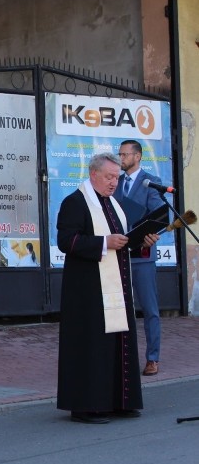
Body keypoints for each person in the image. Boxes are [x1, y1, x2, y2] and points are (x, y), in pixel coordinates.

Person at [56, 153, 159, 424]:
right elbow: (66, 241)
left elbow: (121, 243)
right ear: (93, 174)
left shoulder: (113, 203)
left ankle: (118, 401)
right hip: (87, 289)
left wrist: (141, 240)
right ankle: (87, 406)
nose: (114, 182)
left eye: (117, 177)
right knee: (93, 345)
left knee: (116, 343)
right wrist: (104, 243)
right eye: (109, 177)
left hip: (116, 286)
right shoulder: (75, 202)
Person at [114, 140, 165, 377]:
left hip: (142, 256)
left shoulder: (150, 183)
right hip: (118, 255)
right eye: (120, 154)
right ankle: (122, 359)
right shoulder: (115, 182)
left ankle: (152, 358)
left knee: (150, 309)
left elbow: (159, 215)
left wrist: (151, 235)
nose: (121, 158)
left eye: (125, 154)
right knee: (120, 310)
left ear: (138, 156)